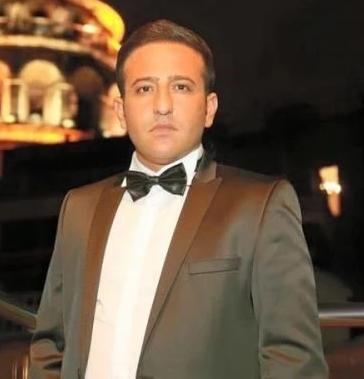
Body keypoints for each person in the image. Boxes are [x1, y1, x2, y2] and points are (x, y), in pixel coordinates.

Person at [29, 19, 327, 379]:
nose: (163, 105)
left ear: (209, 108)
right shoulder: (78, 208)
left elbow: (294, 360)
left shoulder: (261, 205)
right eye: (144, 89)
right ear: (121, 111)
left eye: (181, 87)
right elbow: (51, 343)